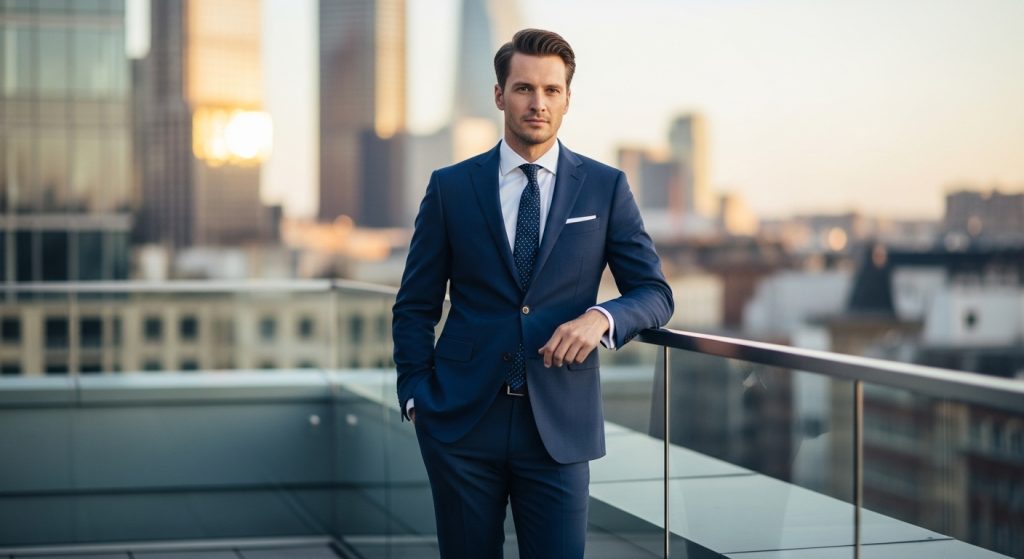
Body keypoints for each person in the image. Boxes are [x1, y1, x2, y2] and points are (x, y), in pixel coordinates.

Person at [392, 28, 674, 559]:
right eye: (523, 89)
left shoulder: (604, 186)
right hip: (460, 422)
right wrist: (416, 397)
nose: (537, 103)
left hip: (559, 427)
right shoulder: (451, 187)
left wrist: (601, 318)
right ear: (499, 95)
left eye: (550, 90)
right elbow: (414, 306)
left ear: (568, 98)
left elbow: (654, 292)